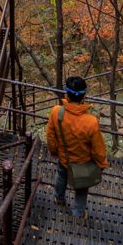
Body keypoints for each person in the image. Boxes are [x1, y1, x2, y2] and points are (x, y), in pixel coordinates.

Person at [46, 75, 109, 216]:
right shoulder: (91, 122)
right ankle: (78, 213)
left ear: (66, 94)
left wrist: (53, 151)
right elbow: (98, 148)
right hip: (83, 164)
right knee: (81, 188)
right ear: (84, 96)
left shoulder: (57, 112)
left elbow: (50, 136)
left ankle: (59, 198)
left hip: (64, 158)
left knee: (61, 176)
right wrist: (102, 163)